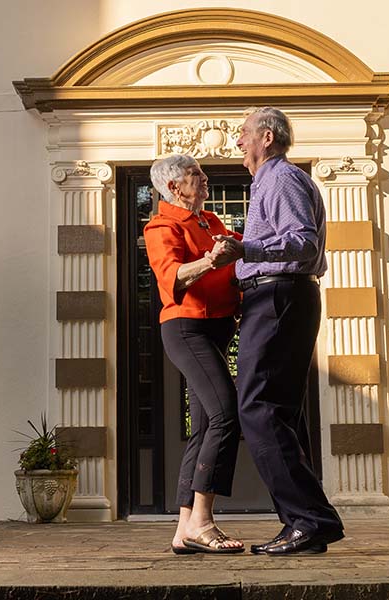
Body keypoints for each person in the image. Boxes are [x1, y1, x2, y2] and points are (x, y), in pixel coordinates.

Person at [212, 107, 345, 555]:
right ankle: (305, 523)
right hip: (279, 297)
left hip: (280, 296)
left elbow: (302, 240)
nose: (238, 142)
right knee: (280, 413)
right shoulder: (271, 181)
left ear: (266, 137)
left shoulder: (281, 179)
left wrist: (244, 248)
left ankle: (309, 518)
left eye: (243, 134)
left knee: (258, 408)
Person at [144, 154, 244, 555]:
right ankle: (203, 521)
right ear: (174, 188)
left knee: (205, 427)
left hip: (219, 328)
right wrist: (208, 259)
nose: (204, 178)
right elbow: (171, 277)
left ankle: (184, 528)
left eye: (202, 173)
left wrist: (233, 249)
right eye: (195, 175)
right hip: (187, 328)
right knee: (226, 414)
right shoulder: (161, 226)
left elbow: (231, 264)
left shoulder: (210, 222)